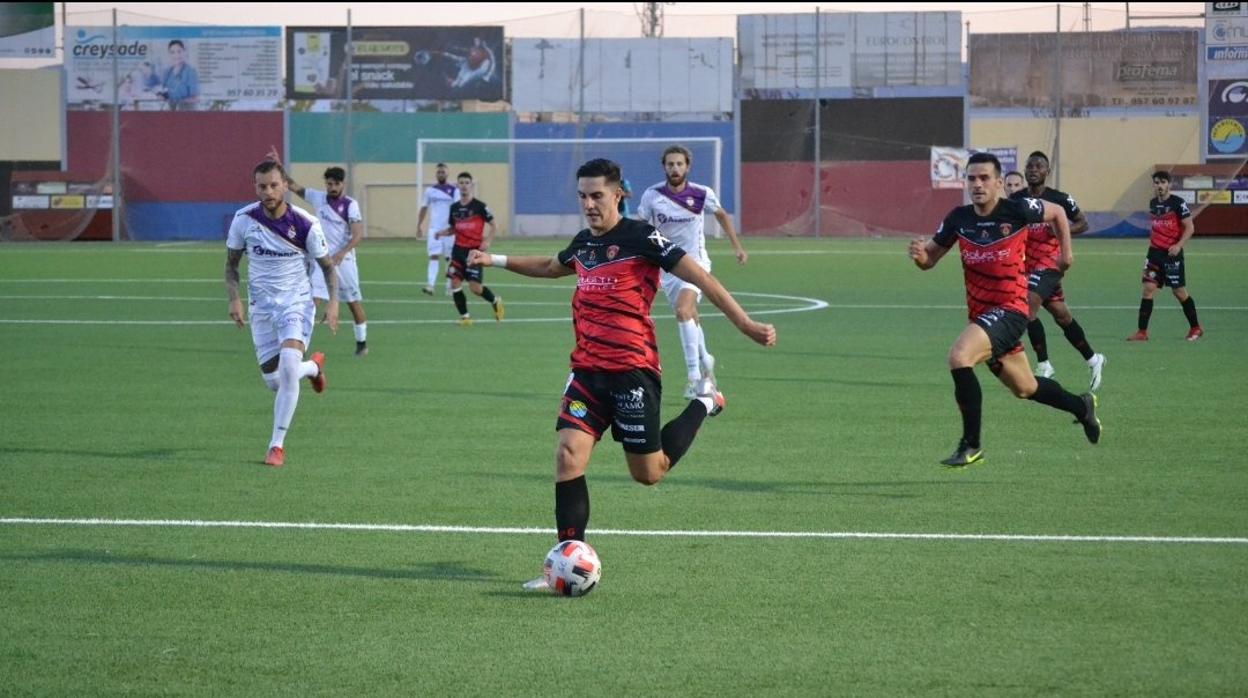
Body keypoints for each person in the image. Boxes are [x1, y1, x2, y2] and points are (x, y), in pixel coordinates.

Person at [465, 158, 776, 590]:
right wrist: (494, 258)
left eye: (597, 195)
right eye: (582, 196)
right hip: (587, 372)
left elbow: (701, 278)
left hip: (633, 373)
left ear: (618, 195)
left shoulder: (642, 237)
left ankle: (704, 402)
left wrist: (745, 325)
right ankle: (565, 560)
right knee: (567, 456)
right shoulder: (583, 244)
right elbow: (549, 266)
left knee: (648, 473)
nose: (589, 204)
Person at [908, 151, 1101, 467]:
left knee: (959, 357)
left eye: (985, 178)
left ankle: (971, 445)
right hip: (983, 317)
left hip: (1012, 310)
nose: (978, 184)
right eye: (972, 178)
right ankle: (1082, 407)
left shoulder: (1018, 209)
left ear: (999, 182)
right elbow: (930, 260)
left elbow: (1058, 214)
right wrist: (919, 257)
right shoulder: (959, 218)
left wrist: (1066, 254)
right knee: (1026, 388)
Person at [225, 159, 338, 467]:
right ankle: (313, 368)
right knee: (275, 382)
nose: (269, 191)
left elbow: (329, 268)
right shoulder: (243, 220)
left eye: (274, 185)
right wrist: (234, 300)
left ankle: (276, 446)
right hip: (261, 308)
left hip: (296, 304)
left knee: (288, 370)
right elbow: (232, 266)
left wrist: (332, 303)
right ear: (255, 187)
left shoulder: (305, 223)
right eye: (262, 186)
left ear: (285, 186)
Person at [636, 145, 749, 399]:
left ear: (688, 166)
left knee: (683, 310)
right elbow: (640, 227)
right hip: (667, 267)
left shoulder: (701, 194)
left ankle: (694, 378)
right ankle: (705, 359)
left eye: (679, 164)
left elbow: (721, 215)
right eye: (670, 164)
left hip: (696, 264)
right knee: (690, 317)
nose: (675, 168)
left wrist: (737, 247)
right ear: (663, 166)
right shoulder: (652, 196)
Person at [1010, 151, 1106, 390]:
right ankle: (1094, 359)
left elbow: (1083, 222)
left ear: (1047, 171)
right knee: (1062, 316)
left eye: (1038, 166)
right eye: (1029, 166)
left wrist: (1062, 231)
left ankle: (1044, 365)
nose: (1033, 169)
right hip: (1027, 265)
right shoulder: (1016, 199)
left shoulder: (1061, 199)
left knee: (1028, 305)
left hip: (1052, 263)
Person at [270, 148, 369, 357]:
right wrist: (279, 167)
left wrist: (342, 253)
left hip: (345, 263)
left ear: (342, 184)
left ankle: (362, 343)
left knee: (353, 304)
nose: (332, 187)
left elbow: (358, 235)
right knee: (311, 302)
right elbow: (294, 187)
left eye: (335, 184)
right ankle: (299, 346)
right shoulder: (319, 198)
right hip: (321, 260)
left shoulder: (351, 206)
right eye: (329, 184)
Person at [1128, 171, 1202, 341]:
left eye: (1163, 182)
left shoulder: (1178, 203)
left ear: (1169, 184)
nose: (1159, 186)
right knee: (1148, 289)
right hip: (1154, 253)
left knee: (1179, 292)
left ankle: (1196, 328)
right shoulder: (1153, 203)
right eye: (1156, 183)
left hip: (1171, 255)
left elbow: (1190, 227)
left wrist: (1178, 245)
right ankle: (1142, 332)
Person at [434, 171, 503, 325]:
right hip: (457, 251)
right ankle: (465, 317)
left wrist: (488, 241)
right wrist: (441, 233)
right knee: (454, 283)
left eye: (467, 182)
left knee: (475, 288)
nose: (464, 185)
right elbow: (453, 228)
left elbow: (493, 225)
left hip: (474, 252)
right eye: (461, 183)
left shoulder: (480, 206)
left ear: (471, 185)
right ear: (457, 186)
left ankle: (495, 301)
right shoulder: (454, 208)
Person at [417, 163, 457, 296]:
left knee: (449, 259)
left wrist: (456, 227)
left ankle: (449, 287)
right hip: (434, 229)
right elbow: (424, 208)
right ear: (436, 174)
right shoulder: (430, 191)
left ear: (447, 173)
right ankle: (430, 285)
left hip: (450, 230)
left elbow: (457, 209)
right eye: (439, 172)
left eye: (443, 172)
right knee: (433, 256)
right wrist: (419, 225)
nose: (441, 174)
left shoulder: (454, 190)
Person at [157, 39, 200, 111]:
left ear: (184, 52)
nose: (176, 55)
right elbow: (163, 91)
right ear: (169, 54)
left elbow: (195, 98)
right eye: (172, 52)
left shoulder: (190, 72)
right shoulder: (167, 72)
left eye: (179, 51)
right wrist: (161, 96)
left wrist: (180, 103)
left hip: (187, 111)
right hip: (171, 110)